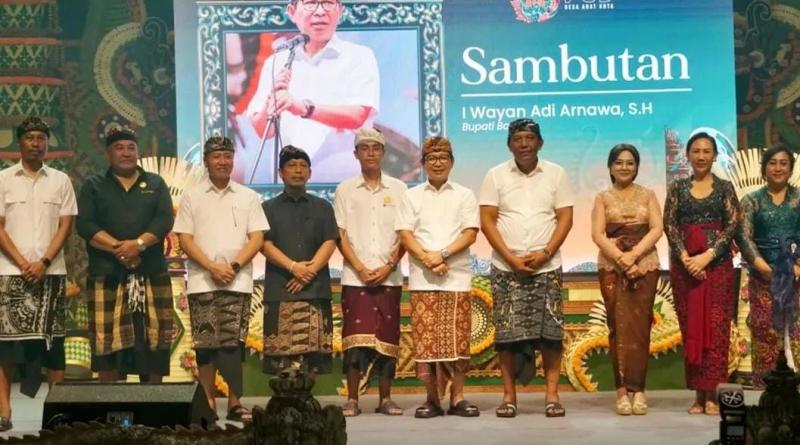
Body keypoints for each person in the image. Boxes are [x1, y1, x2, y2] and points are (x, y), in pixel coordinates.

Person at [479, 119, 572, 418]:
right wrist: (511, 258)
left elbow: (565, 218)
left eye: (529, 138)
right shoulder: (495, 175)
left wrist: (545, 254)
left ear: (540, 143)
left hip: (548, 267)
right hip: (506, 269)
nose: (523, 144)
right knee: (507, 337)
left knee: (551, 336)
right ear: (509, 145)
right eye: (517, 139)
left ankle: (552, 397)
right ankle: (509, 397)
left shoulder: (556, 174)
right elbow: (487, 221)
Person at [174, 136, 268, 422]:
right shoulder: (191, 196)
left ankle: (236, 402)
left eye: (228, 156)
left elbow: (257, 237)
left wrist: (234, 266)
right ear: (206, 160)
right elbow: (185, 239)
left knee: (233, 344)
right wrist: (212, 267)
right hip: (203, 280)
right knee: (206, 345)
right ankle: (208, 402)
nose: (223, 162)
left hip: (237, 281)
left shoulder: (248, 196)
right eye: (217, 156)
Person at [76, 127, 174, 383]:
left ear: (138, 152)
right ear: (108, 153)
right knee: (106, 342)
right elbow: (85, 225)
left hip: (150, 272)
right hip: (107, 275)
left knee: (154, 339)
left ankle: (154, 401)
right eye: (119, 148)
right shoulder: (94, 185)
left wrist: (139, 244)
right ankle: (109, 400)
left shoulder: (155, 183)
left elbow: (164, 219)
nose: (126, 153)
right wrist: (119, 248)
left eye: (131, 147)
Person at [245, 0, 379, 183]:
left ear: (340, 10)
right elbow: (263, 131)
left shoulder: (359, 56)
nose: (320, 11)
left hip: (344, 187)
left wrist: (303, 108)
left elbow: (357, 116)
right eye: (310, 3)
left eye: (328, 3)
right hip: (291, 188)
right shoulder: (276, 61)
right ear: (292, 11)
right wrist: (271, 101)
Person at [0, 117, 76, 431]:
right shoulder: (3, 179)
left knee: (53, 345)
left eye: (41, 138)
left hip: (51, 273)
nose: (36, 143)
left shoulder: (60, 180)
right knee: (5, 347)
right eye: (30, 137)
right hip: (9, 273)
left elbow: (66, 226)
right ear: (19, 142)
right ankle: (4, 413)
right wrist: (22, 263)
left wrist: (43, 262)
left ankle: (56, 413)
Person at [396, 136, 479, 419]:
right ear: (423, 164)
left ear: (452, 162)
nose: (438, 163)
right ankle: (431, 399)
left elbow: (470, 233)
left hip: (456, 278)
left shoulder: (465, 195)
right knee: (427, 342)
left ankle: (458, 397)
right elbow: (405, 234)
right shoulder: (411, 196)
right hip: (423, 280)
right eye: (432, 158)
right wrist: (427, 260)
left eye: (443, 158)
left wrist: (441, 256)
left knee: (458, 341)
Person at [663, 132, 739, 415]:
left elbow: (732, 225)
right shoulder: (678, 188)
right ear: (688, 155)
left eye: (707, 151)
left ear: (715, 156)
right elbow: (670, 225)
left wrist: (707, 256)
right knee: (692, 326)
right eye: (696, 151)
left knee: (716, 329)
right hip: (685, 269)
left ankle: (713, 395)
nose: (701, 156)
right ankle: (697, 395)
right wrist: (686, 258)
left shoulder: (725, 188)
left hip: (717, 267)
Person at [334, 128, 406, 417]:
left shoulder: (399, 189)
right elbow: (340, 234)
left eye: (376, 148)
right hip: (356, 278)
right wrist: (361, 268)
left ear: (384, 153)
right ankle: (352, 399)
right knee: (355, 339)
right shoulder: (345, 189)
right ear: (356, 154)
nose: (371, 153)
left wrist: (388, 266)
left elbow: (406, 234)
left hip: (390, 277)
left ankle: (385, 398)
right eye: (364, 148)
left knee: (387, 339)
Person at [590, 144, 663, 415]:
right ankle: (621, 391)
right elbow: (597, 234)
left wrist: (633, 256)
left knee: (641, 328)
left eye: (630, 162)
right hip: (612, 266)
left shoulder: (648, 195)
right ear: (610, 167)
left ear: (637, 167)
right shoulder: (602, 198)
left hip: (645, 264)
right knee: (617, 327)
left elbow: (657, 229)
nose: (624, 167)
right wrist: (621, 259)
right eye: (619, 162)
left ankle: (639, 390)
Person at [261, 146, 339, 374]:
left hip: (315, 290)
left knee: (313, 364)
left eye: (303, 166)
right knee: (282, 367)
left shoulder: (323, 207)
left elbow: (330, 241)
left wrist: (309, 272)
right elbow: (263, 244)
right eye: (292, 166)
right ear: (280, 173)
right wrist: (294, 267)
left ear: (310, 173)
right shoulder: (267, 208)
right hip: (281, 290)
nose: (298, 170)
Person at [736, 145, 800, 387]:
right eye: (772, 163)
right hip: (763, 276)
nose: (778, 168)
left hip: (796, 275)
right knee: (765, 332)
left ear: (791, 169)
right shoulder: (751, 201)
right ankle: (767, 391)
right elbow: (744, 237)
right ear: (764, 168)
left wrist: (798, 266)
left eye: (783, 163)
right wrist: (763, 267)